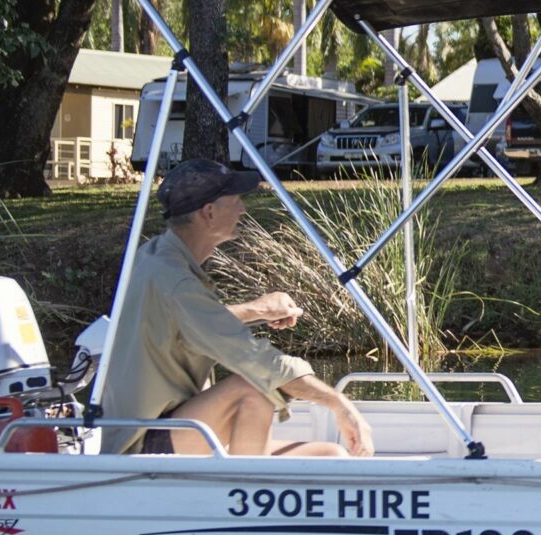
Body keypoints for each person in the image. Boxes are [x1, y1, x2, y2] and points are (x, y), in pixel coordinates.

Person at [98, 159, 374, 458]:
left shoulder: (157, 257)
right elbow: (253, 359)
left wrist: (258, 310)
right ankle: (239, 496)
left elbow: (193, 323)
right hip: (144, 446)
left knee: (331, 456)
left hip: (179, 430)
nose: (243, 209)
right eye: (237, 200)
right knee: (251, 389)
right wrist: (338, 403)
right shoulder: (175, 281)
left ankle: (243, 488)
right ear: (209, 212)